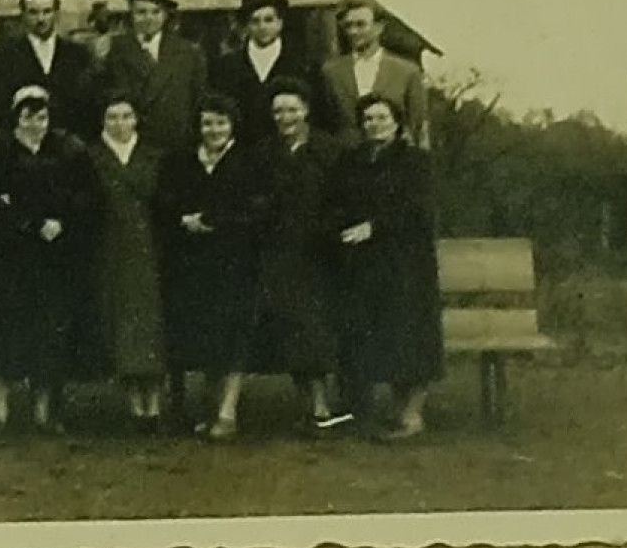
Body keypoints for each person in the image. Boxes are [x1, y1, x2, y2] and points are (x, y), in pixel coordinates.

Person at [0, 86, 98, 434]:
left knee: (49, 331)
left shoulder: (68, 150)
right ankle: (0, 411)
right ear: (16, 117)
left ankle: (45, 411)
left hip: (53, 255)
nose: (35, 124)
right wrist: (28, 223)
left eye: (42, 116)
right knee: (6, 330)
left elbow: (86, 196)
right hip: (10, 254)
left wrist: (62, 221)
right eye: (28, 116)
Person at [331, 93, 444, 440]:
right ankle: (366, 412)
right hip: (364, 264)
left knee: (409, 335)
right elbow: (337, 201)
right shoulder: (352, 161)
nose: (374, 125)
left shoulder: (415, 162)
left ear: (397, 123)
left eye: (381, 118)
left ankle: (411, 415)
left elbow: (417, 210)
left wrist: (374, 227)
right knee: (369, 334)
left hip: (405, 262)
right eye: (368, 119)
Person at [158, 92, 264, 441]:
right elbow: (166, 201)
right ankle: (209, 407)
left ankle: (228, 411)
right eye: (207, 123)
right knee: (205, 335)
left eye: (220, 123)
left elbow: (254, 207)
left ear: (232, 125)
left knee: (233, 334)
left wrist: (213, 219)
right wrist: (182, 219)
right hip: (193, 262)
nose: (213, 130)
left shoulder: (247, 161)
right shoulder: (184, 160)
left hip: (233, 259)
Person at [253, 77, 348, 433]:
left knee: (318, 326)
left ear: (306, 110)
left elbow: (342, 198)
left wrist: (328, 229)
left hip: (320, 251)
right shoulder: (264, 153)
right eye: (278, 110)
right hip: (280, 251)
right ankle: (305, 403)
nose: (285, 117)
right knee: (291, 326)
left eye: (292, 109)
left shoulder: (329, 149)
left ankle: (323, 404)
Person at [89, 92, 168, 431]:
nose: (120, 124)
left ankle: (154, 403)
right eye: (112, 117)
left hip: (148, 247)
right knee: (121, 319)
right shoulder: (92, 157)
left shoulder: (154, 156)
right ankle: (135, 403)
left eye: (126, 116)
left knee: (150, 319)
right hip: (111, 247)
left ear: (136, 120)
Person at [102, 0, 208, 155]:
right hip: (132, 148)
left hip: (178, 146)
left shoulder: (188, 52)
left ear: (165, 15)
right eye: (141, 12)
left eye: (155, 12)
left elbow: (198, 101)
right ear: (131, 14)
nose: (148, 18)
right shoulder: (114, 51)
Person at [0, 0, 99, 139]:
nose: (40, 19)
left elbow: (88, 104)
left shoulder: (78, 55)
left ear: (57, 14)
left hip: (69, 143)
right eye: (33, 12)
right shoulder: (5, 56)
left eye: (47, 12)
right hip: (24, 144)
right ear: (23, 15)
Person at [210, 0, 314, 149]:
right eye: (255, 21)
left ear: (280, 23)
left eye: (269, 19)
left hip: (289, 152)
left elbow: (316, 115)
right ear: (246, 26)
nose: (263, 26)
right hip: (243, 154)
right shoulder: (226, 66)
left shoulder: (302, 63)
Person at [320, 0, 430, 149]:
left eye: (361, 24)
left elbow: (418, 125)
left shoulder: (406, 71)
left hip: (393, 159)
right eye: (348, 26)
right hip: (347, 159)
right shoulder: (331, 71)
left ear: (379, 27)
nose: (353, 32)